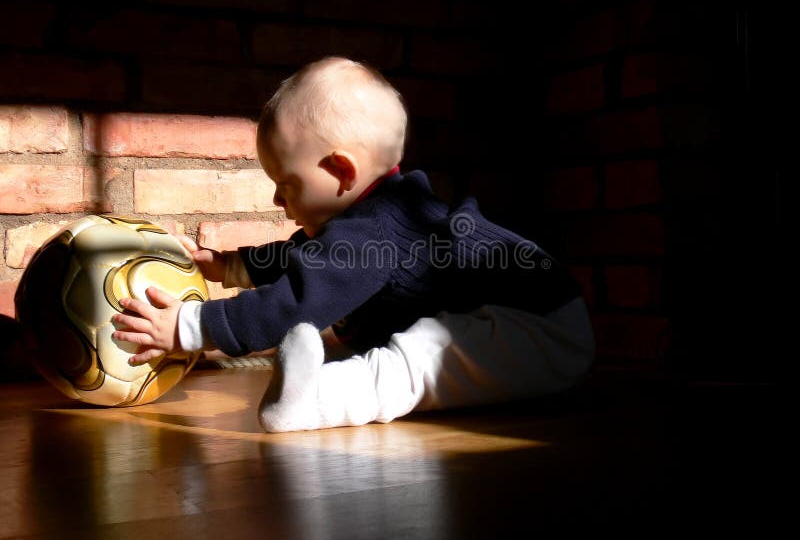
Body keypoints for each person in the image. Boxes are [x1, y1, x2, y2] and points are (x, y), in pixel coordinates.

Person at [112, 56, 595, 432]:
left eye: (286, 182)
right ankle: (327, 378)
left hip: (541, 331)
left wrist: (191, 326)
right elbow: (307, 257)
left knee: (420, 357)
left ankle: (314, 403)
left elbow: (298, 298)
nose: (277, 198)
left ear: (341, 172)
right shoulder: (372, 220)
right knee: (378, 341)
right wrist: (229, 266)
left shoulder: (376, 230)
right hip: (524, 318)